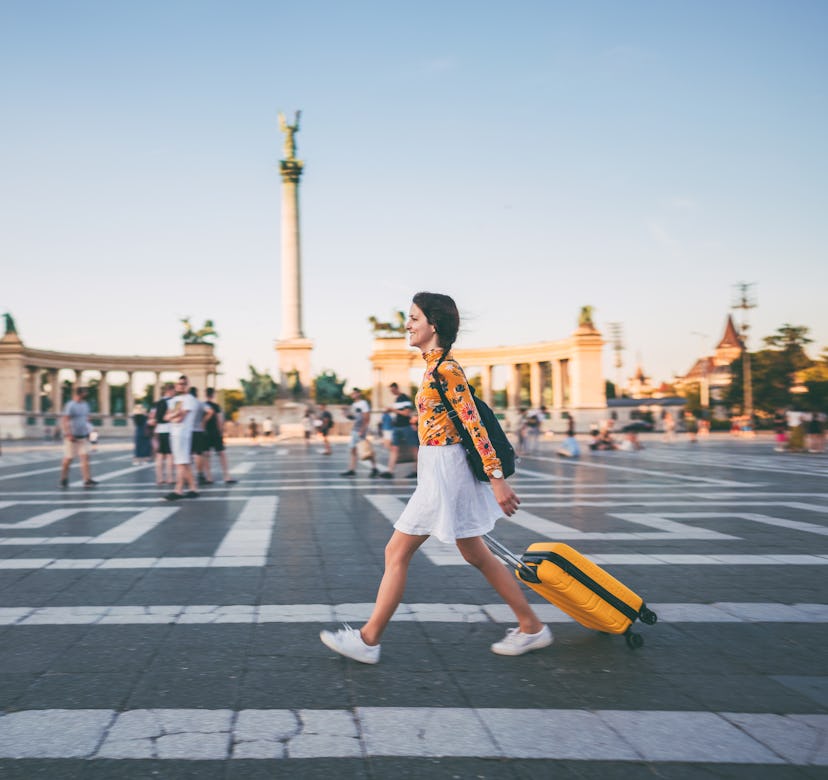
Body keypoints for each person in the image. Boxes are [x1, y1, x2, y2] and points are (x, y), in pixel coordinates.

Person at [320, 292, 551, 664]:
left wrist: (497, 479)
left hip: (446, 471)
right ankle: (531, 626)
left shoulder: (446, 368)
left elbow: (474, 425)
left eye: (414, 318)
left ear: (434, 325)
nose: (407, 325)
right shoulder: (434, 367)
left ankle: (368, 639)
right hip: (439, 465)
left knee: (396, 551)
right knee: (477, 554)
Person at [164, 375, 199, 500]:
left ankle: (178, 490)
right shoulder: (175, 400)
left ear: (188, 385)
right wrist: (174, 415)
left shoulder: (190, 399)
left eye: (184, 383)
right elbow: (166, 416)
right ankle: (193, 488)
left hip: (183, 434)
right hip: (174, 433)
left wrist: (172, 416)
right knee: (184, 462)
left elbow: (180, 418)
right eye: (179, 383)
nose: (181, 385)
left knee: (180, 463)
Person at [59, 386, 97, 488]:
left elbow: (87, 419)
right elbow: (65, 420)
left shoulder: (85, 405)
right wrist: (68, 434)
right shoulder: (70, 405)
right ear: (79, 393)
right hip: (72, 437)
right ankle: (64, 477)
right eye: (85, 393)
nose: (87, 395)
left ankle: (87, 479)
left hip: (83, 435)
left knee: (85, 457)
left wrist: (91, 433)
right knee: (69, 459)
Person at [380, 382, 419, 479]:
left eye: (393, 390)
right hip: (397, 426)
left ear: (397, 388)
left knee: (414, 448)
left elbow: (406, 413)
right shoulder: (397, 399)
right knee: (394, 448)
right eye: (391, 390)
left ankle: (416, 470)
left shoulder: (404, 398)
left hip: (406, 426)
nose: (392, 392)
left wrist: (393, 410)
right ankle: (390, 471)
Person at [202, 387, 237, 484]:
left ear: (205, 395)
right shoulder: (216, 406)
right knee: (222, 454)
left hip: (205, 433)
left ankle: (209, 477)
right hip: (215, 432)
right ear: (213, 395)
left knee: (206, 455)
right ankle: (226, 476)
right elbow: (219, 420)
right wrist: (221, 432)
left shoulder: (202, 406)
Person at [340, 388, 379, 477]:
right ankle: (352, 469)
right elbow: (354, 417)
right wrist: (346, 414)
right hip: (355, 429)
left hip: (360, 430)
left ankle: (374, 468)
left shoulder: (363, 403)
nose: (352, 395)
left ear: (358, 394)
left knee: (366, 449)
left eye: (354, 393)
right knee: (353, 449)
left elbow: (366, 418)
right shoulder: (354, 404)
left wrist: (363, 429)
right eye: (352, 393)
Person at [150, 383, 175, 485]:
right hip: (169, 430)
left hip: (159, 430)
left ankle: (159, 478)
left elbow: (153, 417)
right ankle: (169, 478)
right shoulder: (172, 402)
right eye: (173, 391)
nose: (174, 393)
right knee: (169, 455)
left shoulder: (157, 403)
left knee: (160, 455)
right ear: (169, 391)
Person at [188, 387, 211, 484]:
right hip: (198, 430)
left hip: (187, 431)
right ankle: (200, 474)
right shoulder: (199, 403)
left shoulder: (186, 402)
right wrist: (203, 421)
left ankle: (186, 476)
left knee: (187, 455)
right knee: (198, 454)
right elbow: (210, 411)